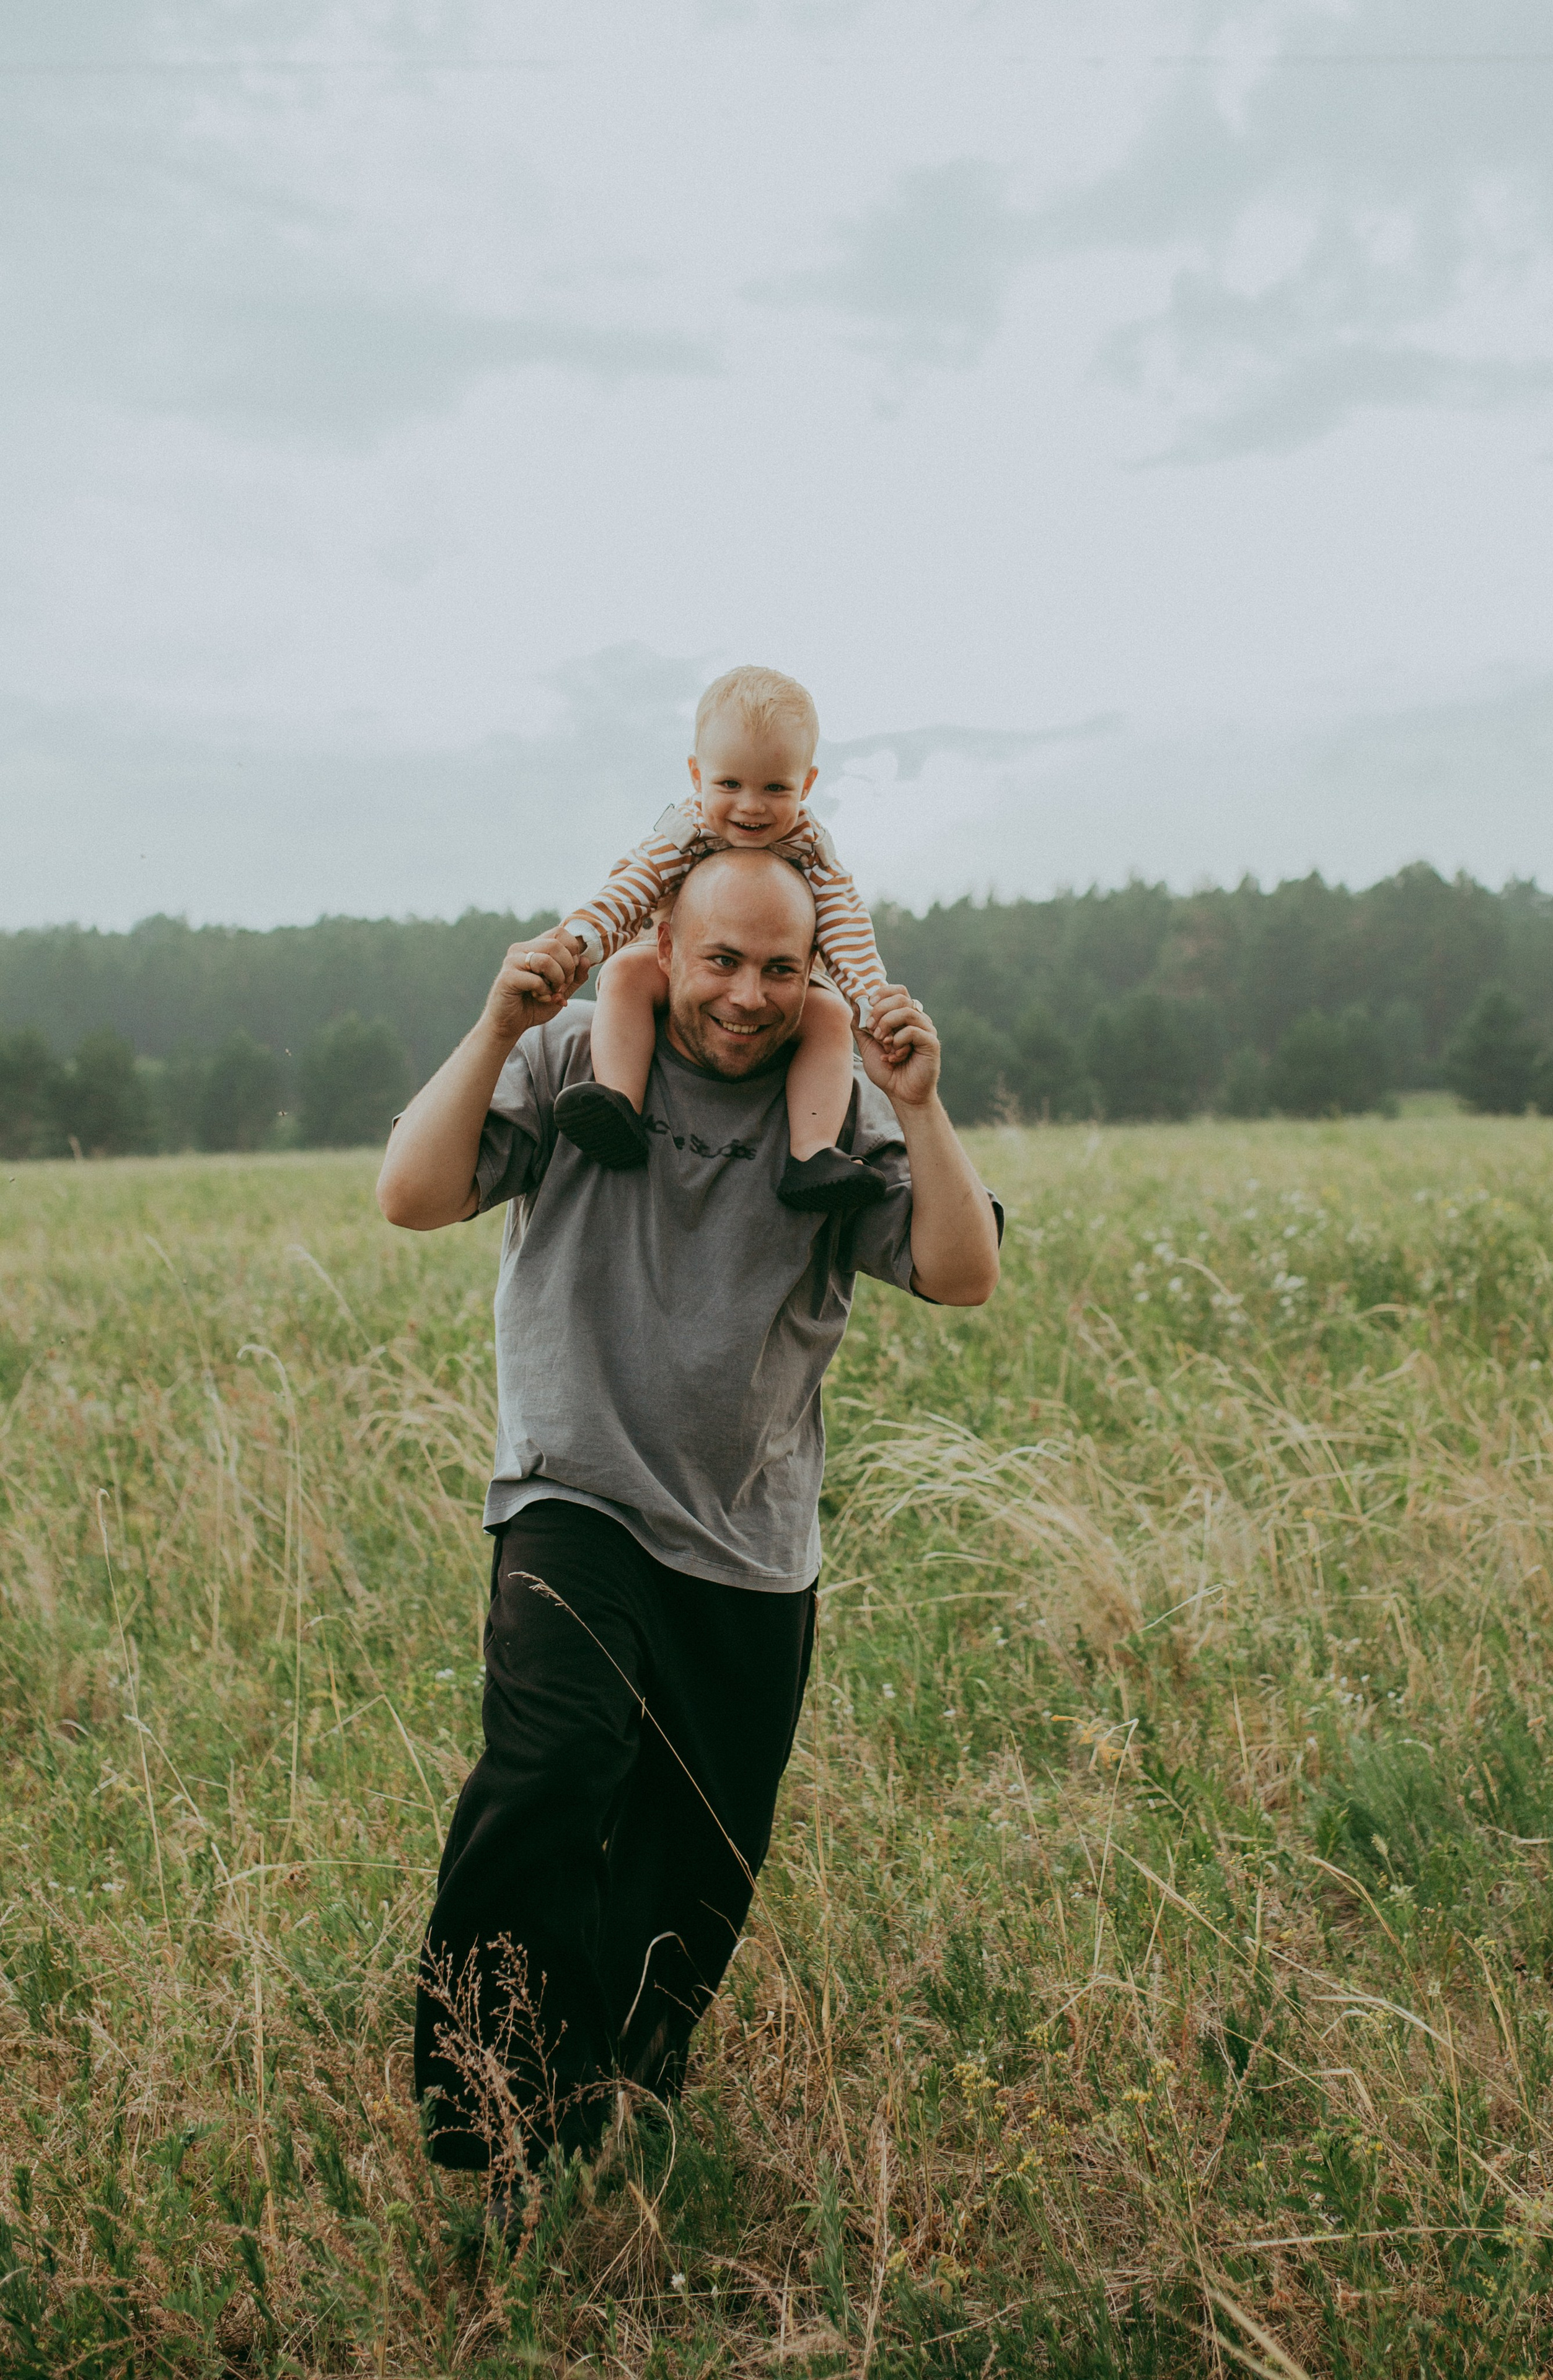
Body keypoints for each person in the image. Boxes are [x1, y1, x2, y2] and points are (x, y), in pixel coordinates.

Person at [377, 846, 1000, 2202]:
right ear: (664, 942)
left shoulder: (838, 1105)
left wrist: (923, 1110)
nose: (747, 994)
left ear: (816, 969)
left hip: (747, 1541)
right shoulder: (572, 1059)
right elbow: (411, 1194)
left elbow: (961, 1276)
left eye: (782, 968)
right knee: (549, 1774)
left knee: (692, 1872)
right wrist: (496, 1025)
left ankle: (600, 2118)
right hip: (572, 1495)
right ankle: (481, 2121)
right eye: (720, 959)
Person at [542, 662, 897, 1215]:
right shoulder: (686, 831)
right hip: (679, 969)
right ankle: (617, 1101)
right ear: (696, 774)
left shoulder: (813, 852)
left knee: (829, 1017)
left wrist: (872, 1004)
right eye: (729, 784)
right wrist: (581, 940)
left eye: (775, 788)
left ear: (806, 784)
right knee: (626, 972)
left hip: (782, 987)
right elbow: (632, 888)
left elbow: (848, 930)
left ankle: (812, 1154)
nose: (751, 806)